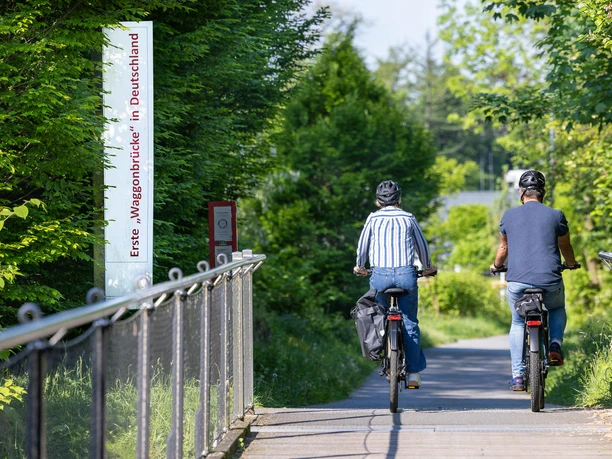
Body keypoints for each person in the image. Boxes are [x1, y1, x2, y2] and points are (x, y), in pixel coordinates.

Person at [490, 170, 579, 391]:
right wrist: (571, 263)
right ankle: (555, 343)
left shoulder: (508, 216)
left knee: (518, 321)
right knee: (557, 308)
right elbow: (564, 245)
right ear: (544, 193)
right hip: (549, 278)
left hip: (517, 281)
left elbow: (503, 247)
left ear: (521, 193)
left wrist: (496, 266)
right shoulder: (556, 215)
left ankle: (518, 376)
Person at [354, 180, 437, 388]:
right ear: (399, 199)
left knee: (379, 316)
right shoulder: (408, 218)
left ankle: (382, 350)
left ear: (377, 201)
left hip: (380, 277)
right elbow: (422, 247)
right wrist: (427, 267)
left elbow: (362, 247)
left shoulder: (372, 219)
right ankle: (414, 374)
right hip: (406, 276)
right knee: (410, 322)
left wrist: (360, 267)